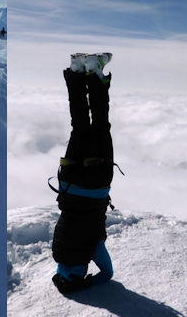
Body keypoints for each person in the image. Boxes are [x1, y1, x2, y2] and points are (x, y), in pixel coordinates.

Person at [51, 52, 115, 294]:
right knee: (78, 125)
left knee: (100, 125)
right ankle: (76, 70)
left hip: (95, 183)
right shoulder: (58, 252)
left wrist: (89, 283)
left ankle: (96, 71)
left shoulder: (90, 250)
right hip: (67, 181)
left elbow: (107, 274)